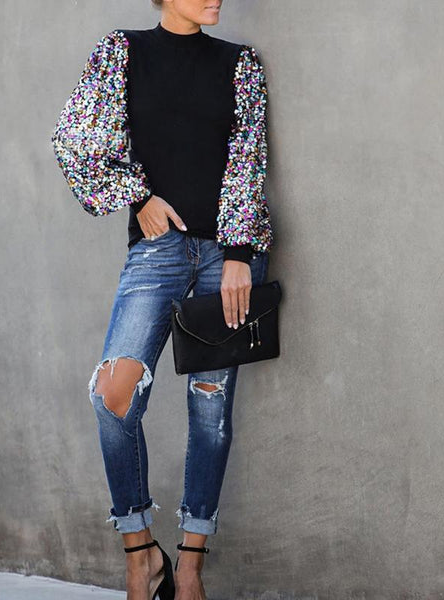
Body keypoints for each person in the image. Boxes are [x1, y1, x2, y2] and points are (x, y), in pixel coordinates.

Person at [51, 1, 273, 598]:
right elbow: (74, 141)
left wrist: (238, 254)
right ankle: (141, 553)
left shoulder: (240, 64)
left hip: (227, 257)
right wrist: (139, 195)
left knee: (210, 410)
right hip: (159, 251)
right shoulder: (122, 52)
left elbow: (247, 160)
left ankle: (192, 565)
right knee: (112, 397)